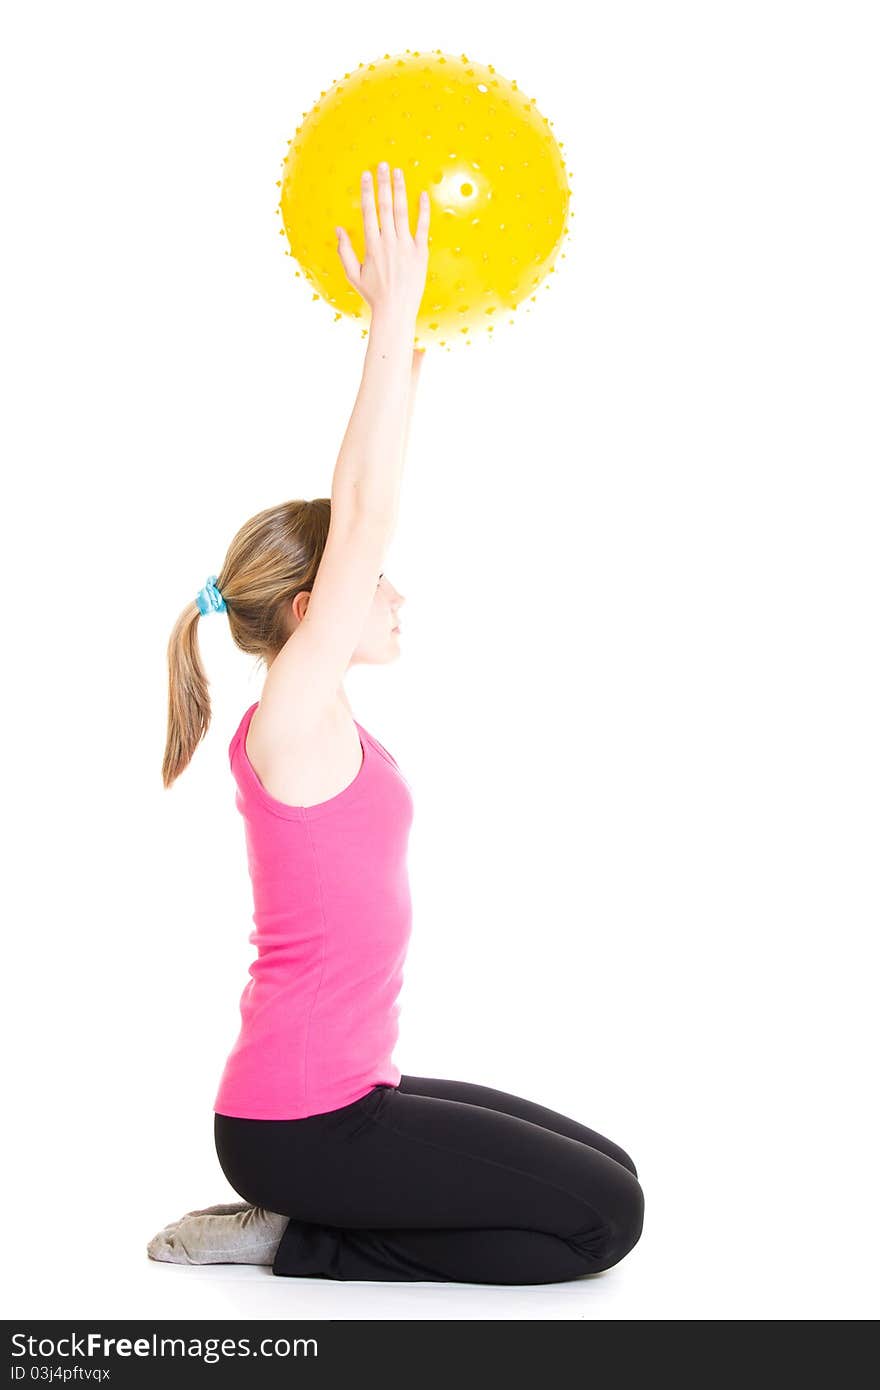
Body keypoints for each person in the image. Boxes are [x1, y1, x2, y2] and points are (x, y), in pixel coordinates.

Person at [148, 161, 644, 1284]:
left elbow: (365, 512)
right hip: (301, 1130)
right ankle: (295, 1238)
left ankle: (312, 1213)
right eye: (377, 581)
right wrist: (386, 320)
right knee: (600, 1225)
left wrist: (414, 353)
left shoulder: (320, 718)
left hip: (346, 1094)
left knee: (606, 1166)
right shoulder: (291, 714)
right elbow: (364, 510)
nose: (398, 592)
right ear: (316, 610)